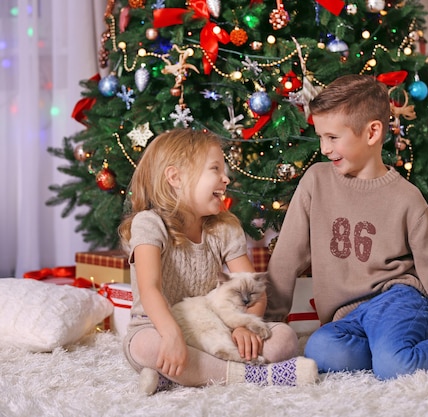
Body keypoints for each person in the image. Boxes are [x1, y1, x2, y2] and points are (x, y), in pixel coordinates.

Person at [265, 74, 428, 380]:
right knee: (321, 351)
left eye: (333, 138)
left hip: (400, 301)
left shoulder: (408, 200)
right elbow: (286, 258)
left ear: (372, 132)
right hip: (348, 317)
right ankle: (392, 353)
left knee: (394, 367)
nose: (324, 148)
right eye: (321, 137)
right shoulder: (315, 182)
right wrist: (268, 323)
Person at [118, 128, 317, 395]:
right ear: (175, 177)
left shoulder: (224, 227)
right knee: (145, 347)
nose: (225, 178)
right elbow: (150, 288)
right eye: (215, 169)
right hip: (158, 327)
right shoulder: (149, 224)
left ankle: (178, 375)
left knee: (284, 338)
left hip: (213, 325)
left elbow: (252, 291)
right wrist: (172, 335)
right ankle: (256, 376)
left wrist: (243, 324)